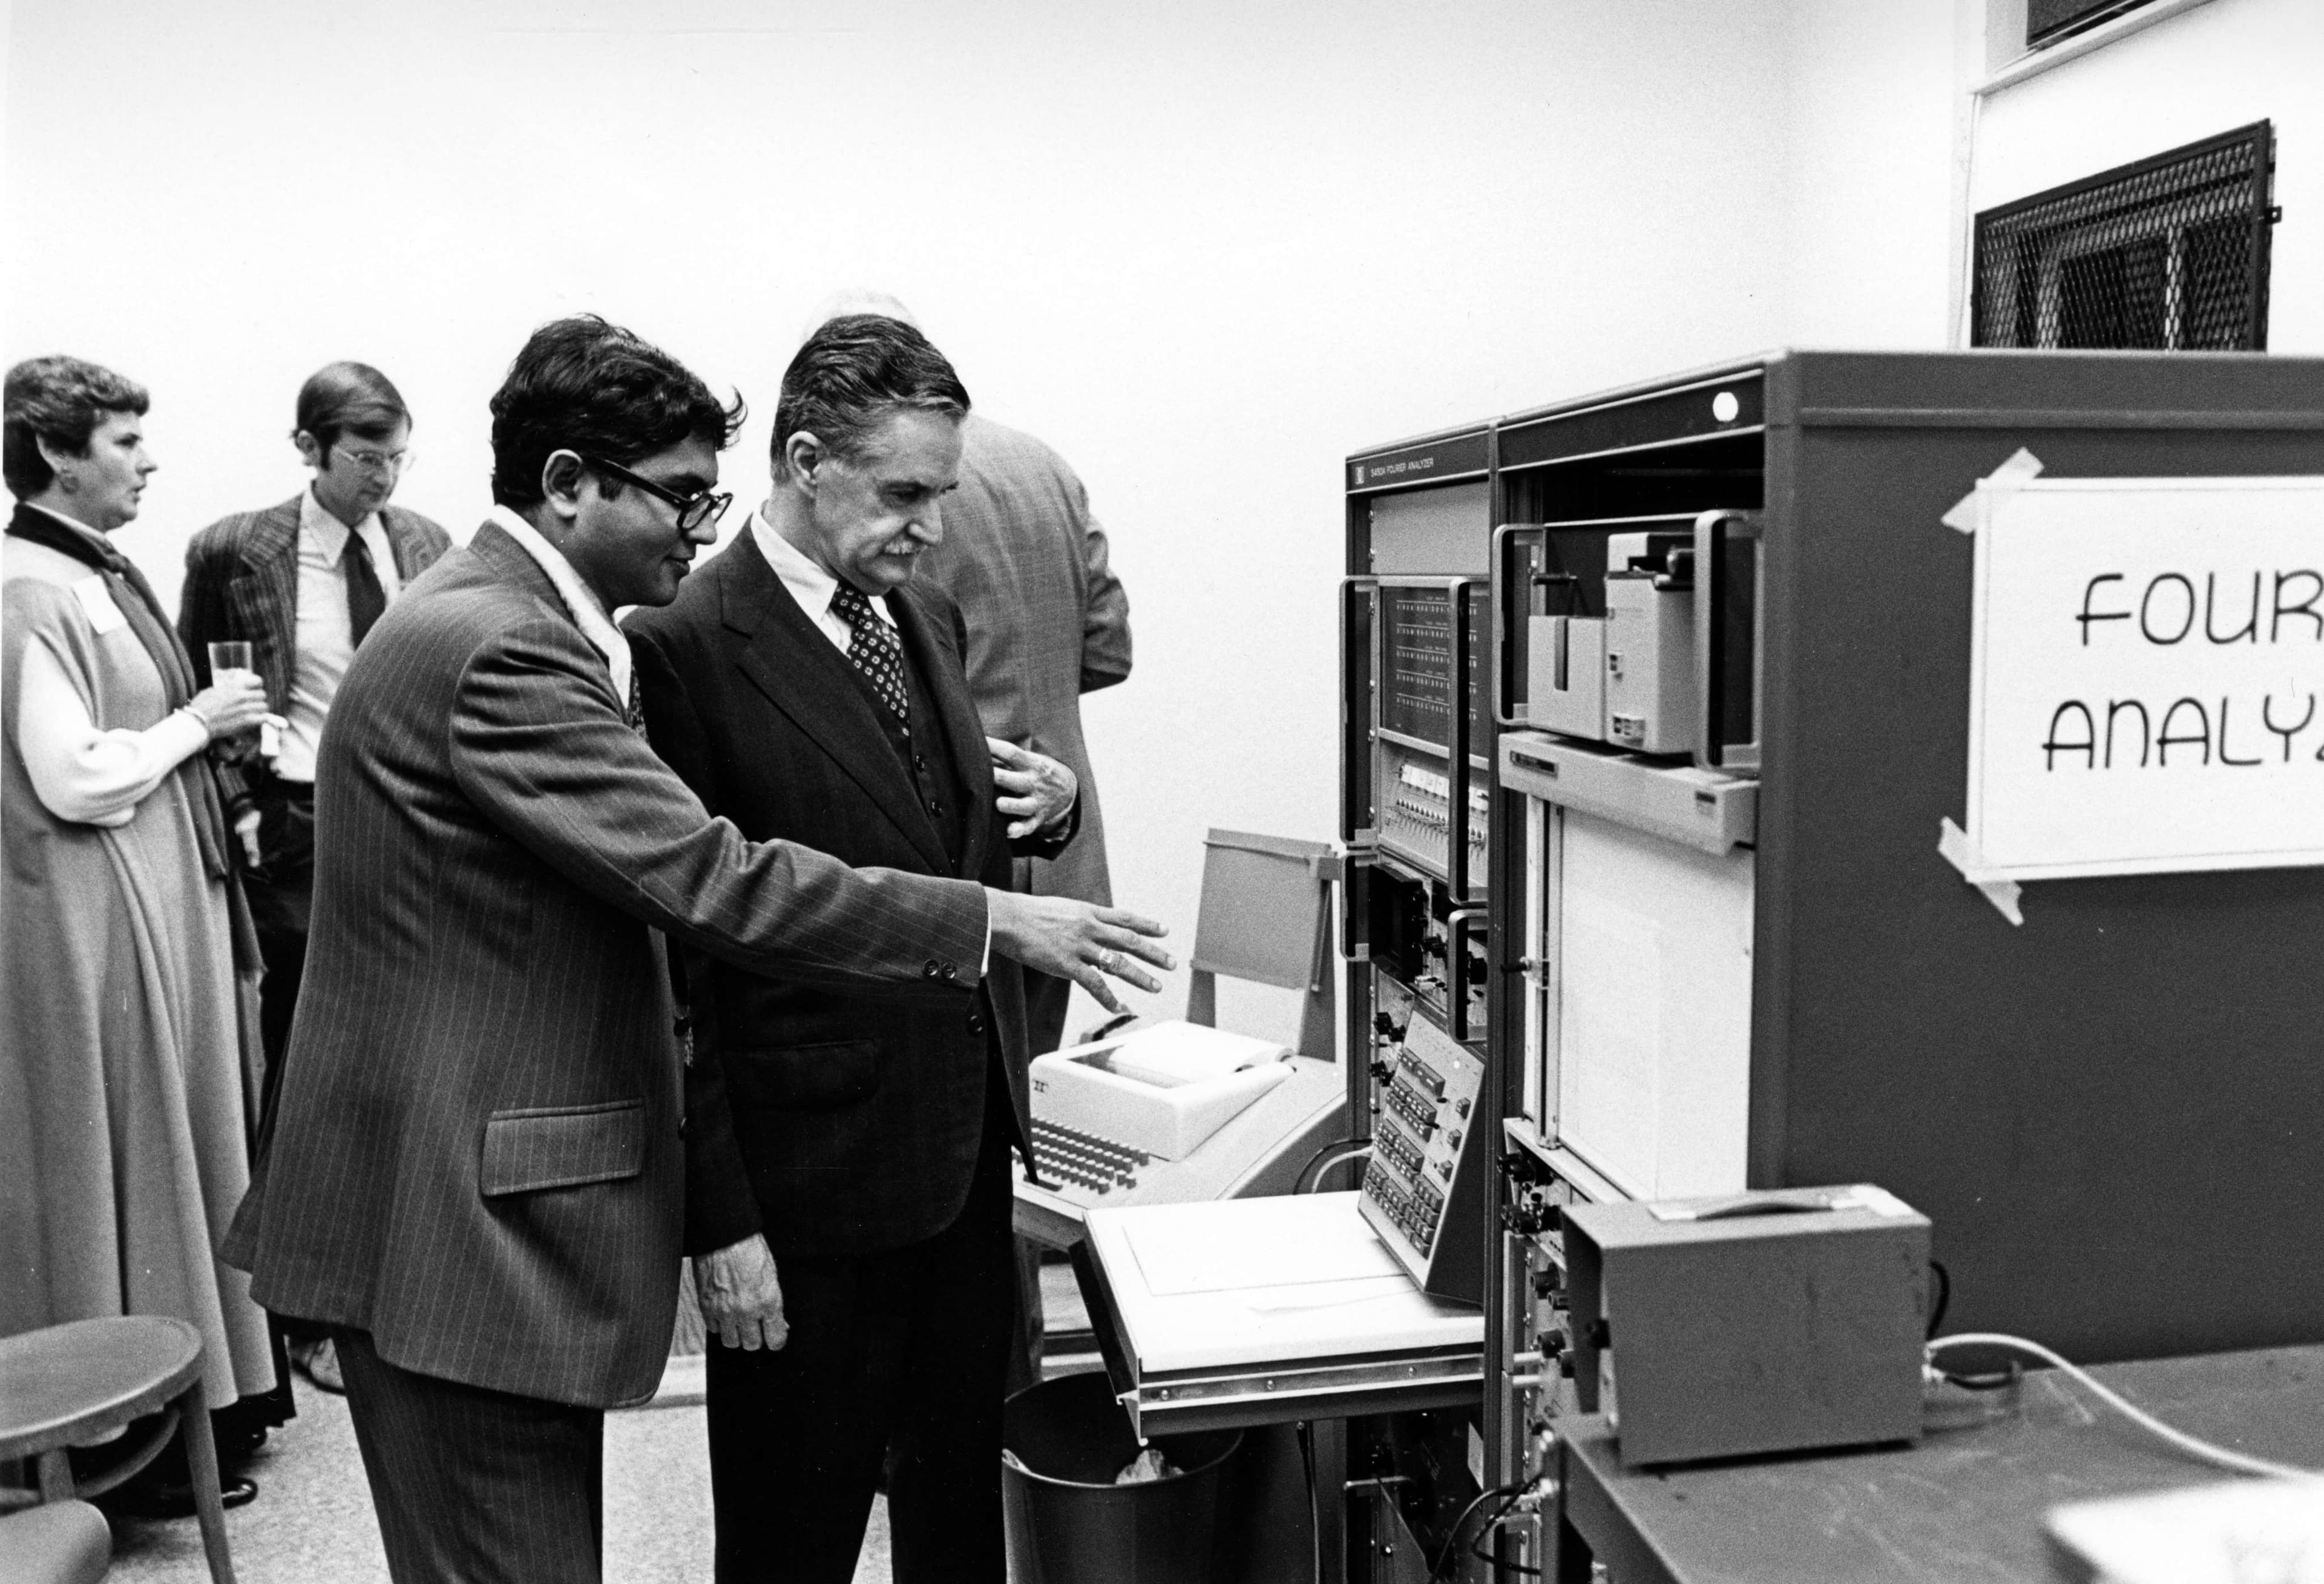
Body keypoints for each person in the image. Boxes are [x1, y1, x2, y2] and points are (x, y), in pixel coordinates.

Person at [220, 315, 1170, 1584]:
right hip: (458, 1219)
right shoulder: (507, 645)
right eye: (680, 494)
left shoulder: (523, 623)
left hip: (866, 1161)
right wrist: (990, 918)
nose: (698, 523)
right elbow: (707, 881)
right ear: (569, 485)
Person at [629, 314, 1084, 1582]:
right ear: (805, 458)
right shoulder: (681, 643)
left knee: (957, 1528)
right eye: (904, 493)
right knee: (793, 1541)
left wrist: (1051, 807)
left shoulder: (917, 609)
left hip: (958, 1156)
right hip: (806, 1192)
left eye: (944, 493)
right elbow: (680, 965)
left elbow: (938, 840)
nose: (931, 524)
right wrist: (718, 1224)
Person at [806, 290, 1134, 1395]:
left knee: (945, 1156)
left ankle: (967, 1407)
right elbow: (1111, 648)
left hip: (940, 877)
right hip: (1058, 856)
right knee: (1009, 1147)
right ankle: (1011, 1397)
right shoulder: (1046, 464)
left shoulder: (886, 515)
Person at [1, 356, 278, 1511]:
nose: (148, 460)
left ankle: (199, 1411)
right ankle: (134, 1442)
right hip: (89, 916)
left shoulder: (86, 573)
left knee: (174, 1143)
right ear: (57, 454)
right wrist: (196, 722)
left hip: (146, 900)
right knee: (125, 1150)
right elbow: (72, 779)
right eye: (124, 442)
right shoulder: (29, 586)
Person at [179, 361, 451, 1395]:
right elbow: (207, 679)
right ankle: (302, 1311)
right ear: (309, 450)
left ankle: (393, 1274)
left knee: (407, 1041)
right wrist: (241, 805)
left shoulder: (425, 541)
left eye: (396, 456)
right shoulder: (236, 547)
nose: (384, 477)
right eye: (363, 457)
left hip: (409, 819)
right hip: (296, 817)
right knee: (307, 1052)